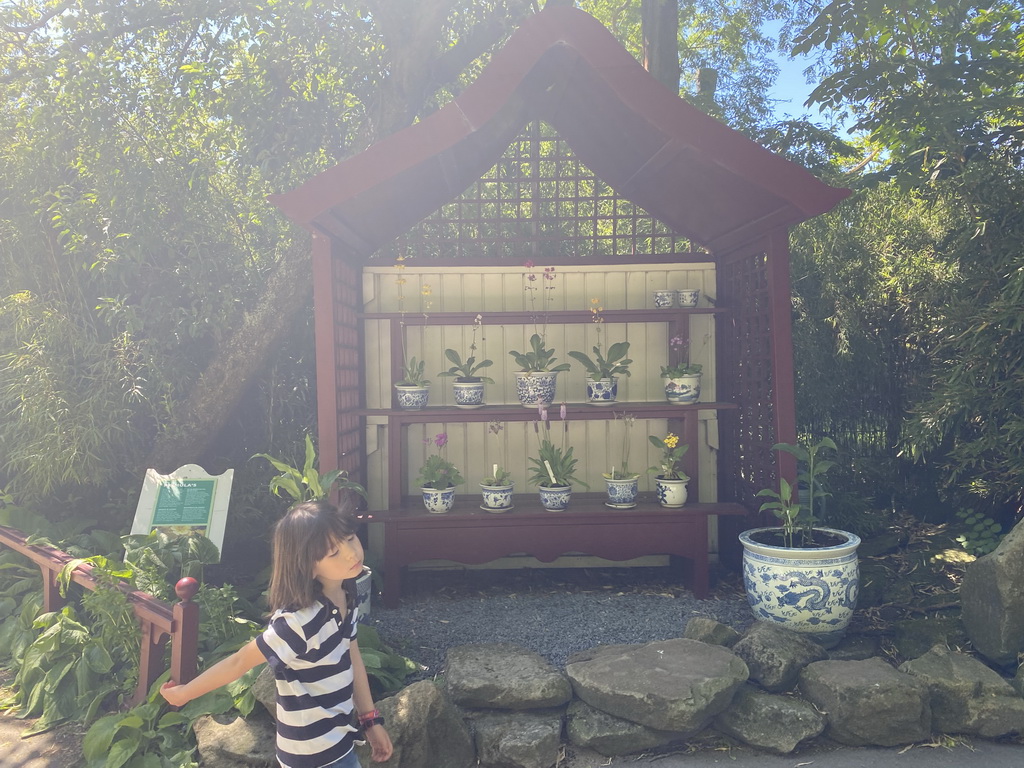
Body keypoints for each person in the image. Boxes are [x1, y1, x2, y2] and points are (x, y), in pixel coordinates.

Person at [161, 500, 393, 767]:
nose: (351, 554)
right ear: (306, 564)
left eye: (350, 539)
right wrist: (185, 693)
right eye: (333, 553)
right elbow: (239, 662)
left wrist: (369, 719)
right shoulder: (297, 622)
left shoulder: (346, 595)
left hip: (341, 744)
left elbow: (352, 655)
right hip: (310, 757)